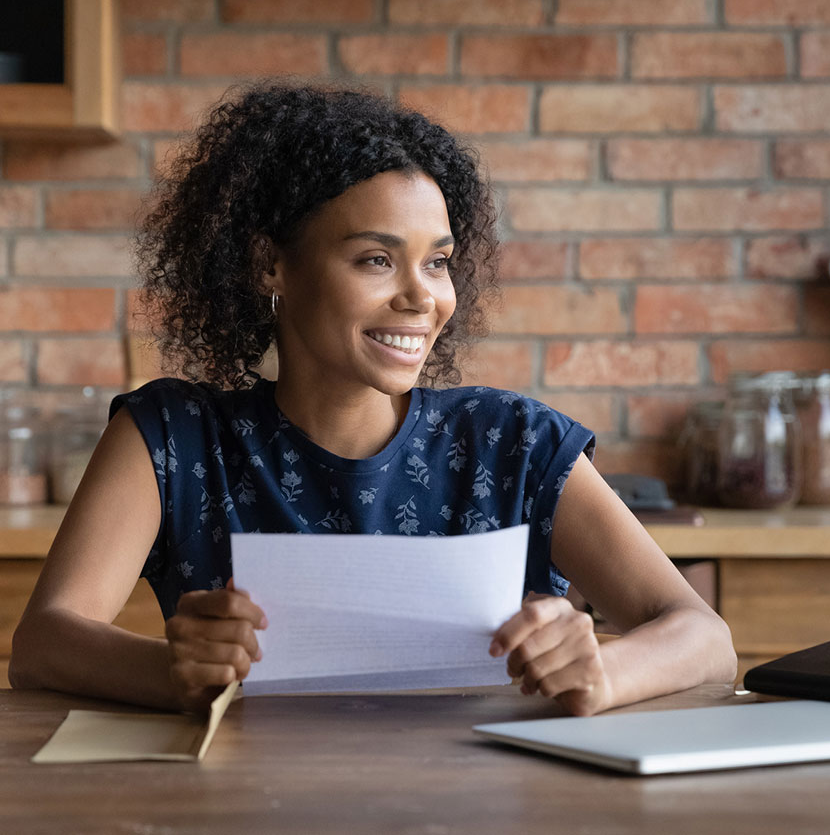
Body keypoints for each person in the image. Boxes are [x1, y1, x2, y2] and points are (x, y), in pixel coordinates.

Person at [10, 83, 735, 716]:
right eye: (376, 260)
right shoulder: (171, 437)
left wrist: (602, 671)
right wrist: (172, 671)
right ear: (271, 264)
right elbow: (44, 644)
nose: (423, 296)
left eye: (439, 262)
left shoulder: (513, 441)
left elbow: (704, 638)